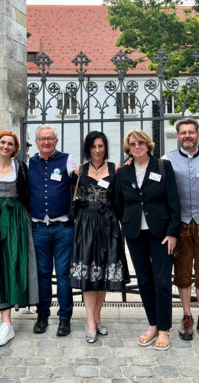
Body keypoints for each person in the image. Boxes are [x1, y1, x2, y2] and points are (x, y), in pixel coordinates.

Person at [115, 129, 181, 351]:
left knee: (161, 281)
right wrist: (126, 221)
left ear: (148, 145)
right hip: (135, 233)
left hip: (161, 233)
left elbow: (174, 200)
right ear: (128, 147)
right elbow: (118, 203)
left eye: (140, 143)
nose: (137, 147)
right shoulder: (123, 172)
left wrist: (173, 232)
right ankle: (152, 325)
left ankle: (164, 329)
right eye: (132, 144)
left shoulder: (163, 167)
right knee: (144, 280)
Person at [0, 131, 38, 346]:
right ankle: (5, 322)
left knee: (16, 263)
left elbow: (29, 193)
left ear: (15, 148)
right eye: (2, 142)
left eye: (10, 144)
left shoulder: (21, 167)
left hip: (18, 218)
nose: (5, 146)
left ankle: (10, 318)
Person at [69, 131, 129, 343]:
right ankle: (90, 321)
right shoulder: (79, 170)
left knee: (103, 272)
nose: (97, 150)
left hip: (108, 224)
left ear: (105, 147)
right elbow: (69, 195)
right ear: (88, 148)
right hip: (85, 224)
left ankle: (98, 316)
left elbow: (124, 195)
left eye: (101, 146)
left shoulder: (116, 169)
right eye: (93, 146)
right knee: (88, 273)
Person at [164, 118, 199, 342]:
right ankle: (187, 315)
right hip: (180, 222)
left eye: (191, 132)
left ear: (198, 134)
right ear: (178, 136)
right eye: (183, 133)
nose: (187, 136)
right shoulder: (166, 159)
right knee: (182, 270)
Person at [27, 124, 78, 336]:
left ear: (56, 141)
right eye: (42, 138)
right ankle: (43, 315)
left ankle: (65, 318)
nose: (46, 142)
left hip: (63, 227)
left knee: (64, 274)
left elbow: (82, 180)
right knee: (43, 274)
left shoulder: (68, 160)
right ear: (36, 142)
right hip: (39, 227)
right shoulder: (29, 163)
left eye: (50, 138)